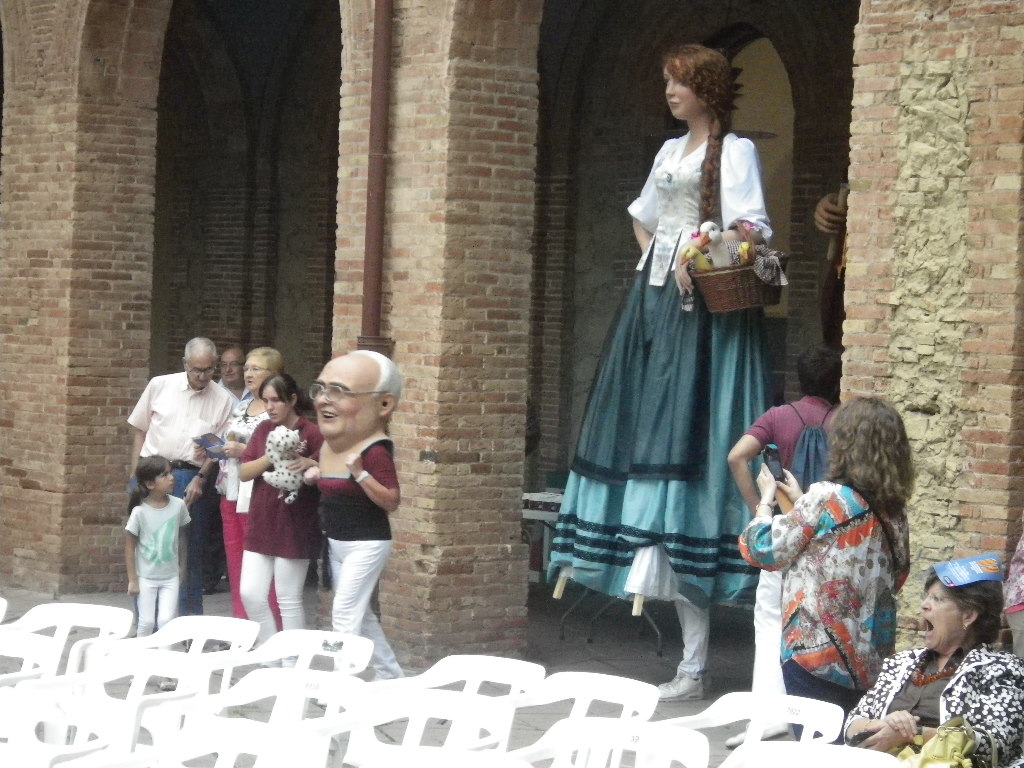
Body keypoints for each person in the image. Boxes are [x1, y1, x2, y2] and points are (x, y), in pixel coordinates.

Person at [548, 43, 774, 702]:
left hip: (704, 309)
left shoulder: (735, 151)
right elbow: (643, 218)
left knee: (690, 435)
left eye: (680, 82)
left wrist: (698, 254)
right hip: (655, 305)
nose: (671, 92)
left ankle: (703, 663)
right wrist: (658, 258)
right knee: (647, 431)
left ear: (706, 87)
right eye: (667, 82)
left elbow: (752, 227)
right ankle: (689, 659)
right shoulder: (670, 150)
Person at [738, 396, 913, 724]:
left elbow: (762, 549)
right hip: (870, 659)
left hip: (816, 653)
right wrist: (800, 501)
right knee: (851, 741)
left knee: (814, 742)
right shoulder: (895, 511)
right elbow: (899, 574)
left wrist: (764, 503)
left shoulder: (826, 496)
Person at [724, 345, 842, 747]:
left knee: (770, 622)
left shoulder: (778, 417)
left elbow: (736, 457)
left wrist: (759, 508)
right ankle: (820, 720)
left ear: (800, 379)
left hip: (784, 533)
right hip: (827, 541)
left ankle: (768, 719)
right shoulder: (843, 421)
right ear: (837, 382)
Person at [845, 558, 1024, 768]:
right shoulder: (901, 663)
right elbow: (854, 721)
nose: (924, 605)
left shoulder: (1003, 669)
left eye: (937, 599)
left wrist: (912, 734)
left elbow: (994, 743)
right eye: (926, 597)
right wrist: (881, 726)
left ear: (968, 615)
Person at [308, 350, 404, 680]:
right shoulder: (330, 445)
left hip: (366, 543)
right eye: (321, 389)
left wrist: (361, 474)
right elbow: (332, 483)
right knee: (360, 616)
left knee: (344, 613)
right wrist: (312, 472)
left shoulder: (374, 451)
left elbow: (391, 500)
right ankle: (391, 676)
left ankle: (340, 684)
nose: (324, 399)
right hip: (337, 542)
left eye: (339, 391)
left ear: (384, 405)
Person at [128, 337, 236, 616]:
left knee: (189, 550)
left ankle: (188, 622)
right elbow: (140, 430)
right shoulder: (160, 385)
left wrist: (201, 477)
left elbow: (219, 449)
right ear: (185, 364)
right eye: (197, 369)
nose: (202, 376)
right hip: (151, 471)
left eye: (208, 370)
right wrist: (135, 476)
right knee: (148, 549)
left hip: (190, 475)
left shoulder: (223, 399)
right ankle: (146, 620)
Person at [237, 373, 322, 646]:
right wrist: (269, 456)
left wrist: (311, 464)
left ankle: (292, 661)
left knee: (288, 598)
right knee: (250, 593)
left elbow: (330, 470)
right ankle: (269, 651)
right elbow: (244, 472)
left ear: (292, 400)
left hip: (295, 522)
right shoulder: (263, 430)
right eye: (265, 401)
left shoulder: (311, 432)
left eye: (276, 400)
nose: (269, 407)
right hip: (262, 520)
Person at [216, 347, 284, 620]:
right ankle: (241, 624)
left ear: (273, 373)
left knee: (260, 565)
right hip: (230, 491)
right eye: (247, 368)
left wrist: (242, 451)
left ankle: (269, 626)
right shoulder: (241, 405)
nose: (248, 374)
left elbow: (281, 452)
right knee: (236, 563)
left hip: (258, 495)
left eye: (256, 369)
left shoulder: (275, 411)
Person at [125, 456, 190, 637]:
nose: (171, 478)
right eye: (164, 475)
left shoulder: (179, 506)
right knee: (146, 622)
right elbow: (129, 548)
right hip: (146, 577)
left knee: (166, 621)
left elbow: (182, 538)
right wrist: (133, 580)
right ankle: (141, 653)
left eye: (170, 473)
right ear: (150, 484)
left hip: (171, 577)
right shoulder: (139, 512)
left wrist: (182, 568)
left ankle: (164, 653)